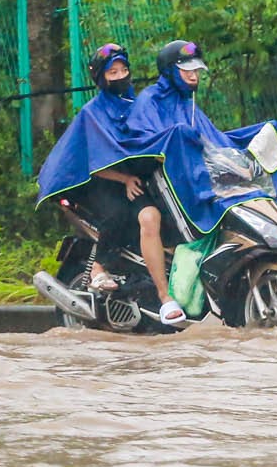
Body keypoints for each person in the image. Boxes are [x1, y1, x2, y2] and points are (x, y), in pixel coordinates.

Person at [34, 43, 184, 326]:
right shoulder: (93, 113)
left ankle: (164, 291)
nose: (120, 76)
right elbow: (89, 159)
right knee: (116, 214)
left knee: (155, 217)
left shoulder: (139, 105)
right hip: (101, 184)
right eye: (112, 72)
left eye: (124, 70)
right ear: (101, 78)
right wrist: (124, 178)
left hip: (139, 182)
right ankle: (101, 269)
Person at [125, 39, 277, 237]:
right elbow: (145, 141)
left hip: (206, 169)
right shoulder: (150, 99)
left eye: (196, 70)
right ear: (170, 70)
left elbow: (212, 139)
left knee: (268, 130)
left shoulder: (188, 102)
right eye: (187, 70)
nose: (193, 75)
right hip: (173, 178)